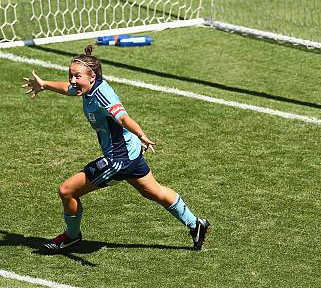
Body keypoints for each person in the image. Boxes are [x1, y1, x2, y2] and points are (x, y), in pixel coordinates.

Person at [21, 45, 211, 251]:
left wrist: (141, 134)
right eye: (71, 76)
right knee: (154, 192)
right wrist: (45, 85)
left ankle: (71, 236)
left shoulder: (103, 96)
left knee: (67, 191)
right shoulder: (87, 88)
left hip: (119, 159)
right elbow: (68, 89)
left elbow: (123, 117)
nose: (72, 81)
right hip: (130, 153)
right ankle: (196, 224)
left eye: (77, 77)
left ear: (92, 77)